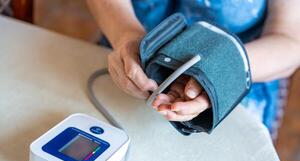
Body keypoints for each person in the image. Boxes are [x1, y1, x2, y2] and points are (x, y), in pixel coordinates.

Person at [87, 0, 300, 137]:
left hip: (233, 86)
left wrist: (218, 73)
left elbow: (290, 42)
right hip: (123, 62)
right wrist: (124, 34)